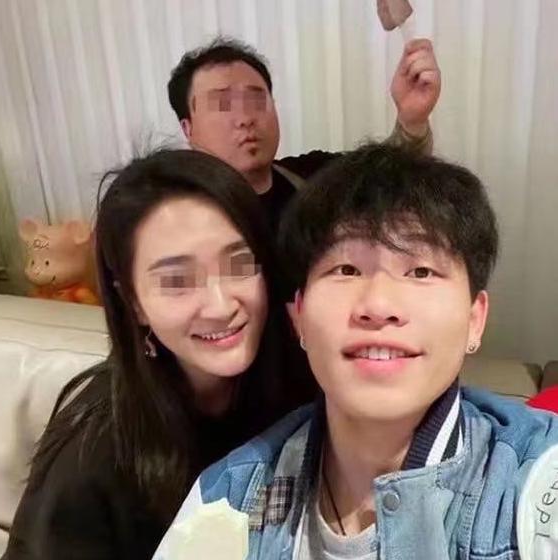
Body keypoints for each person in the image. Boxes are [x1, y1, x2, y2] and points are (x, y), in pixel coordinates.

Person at [154, 143, 558, 559]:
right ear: (298, 317)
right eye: (345, 269)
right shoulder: (228, 498)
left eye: (421, 271)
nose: (378, 306)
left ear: (475, 319)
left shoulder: (534, 480)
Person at [2, 150, 313, 560]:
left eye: (240, 264)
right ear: (133, 302)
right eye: (177, 281)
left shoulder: (294, 378)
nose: (221, 305)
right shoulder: (96, 451)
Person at [168, 36, 441, 231]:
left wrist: (412, 119)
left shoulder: (315, 179)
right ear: (187, 128)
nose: (245, 118)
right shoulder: (170, 217)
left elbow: (393, 176)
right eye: (222, 104)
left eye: (257, 100)